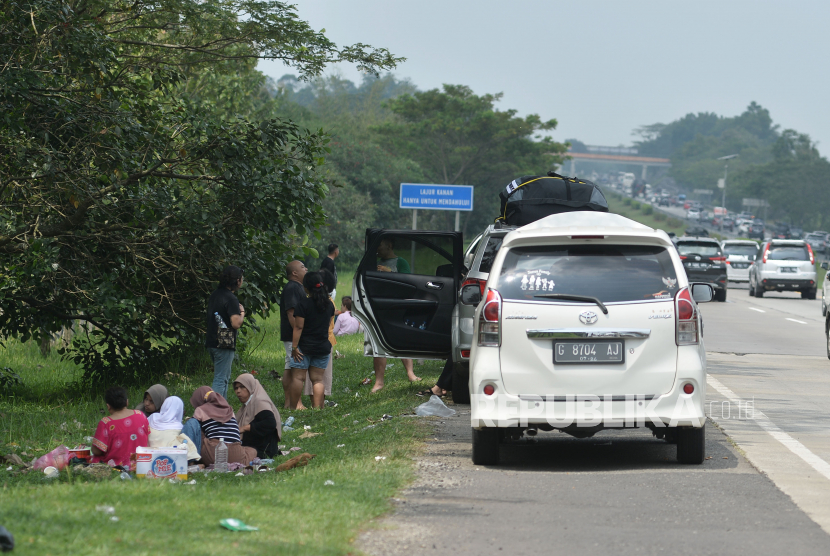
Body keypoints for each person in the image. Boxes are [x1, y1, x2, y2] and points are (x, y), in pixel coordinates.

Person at [372, 237, 419, 392]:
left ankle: (410, 374)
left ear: (389, 245)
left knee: (402, 337)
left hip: (397, 304)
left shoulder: (401, 262)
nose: (378, 248)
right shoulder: (374, 262)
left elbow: (407, 281)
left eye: (380, 244)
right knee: (377, 340)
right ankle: (379, 381)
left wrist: (389, 272)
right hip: (379, 304)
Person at [288, 271, 335, 409]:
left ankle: (293, 407)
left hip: (304, 347)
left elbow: (298, 327)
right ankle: (317, 408)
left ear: (306, 288)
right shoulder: (330, 305)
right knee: (318, 379)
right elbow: (328, 325)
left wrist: (294, 347)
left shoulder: (303, 304)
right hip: (323, 347)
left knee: (298, 378)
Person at [205, 265, 245, 399]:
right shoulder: (231, 298)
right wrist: (243, 313)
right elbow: (236, 323)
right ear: (237, 280)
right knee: (221, 379)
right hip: (224, 343)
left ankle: (223, 409)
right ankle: (214, 410)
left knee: (224, 378)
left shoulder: (215, 294)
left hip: (211, 340)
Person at [189, 386, 256, 465]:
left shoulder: (200, 409)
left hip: (214, 453)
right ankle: (236, 462)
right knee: (252, 451)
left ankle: (192, 460)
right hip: (236, 453)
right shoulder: (229, 410)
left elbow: (194, 429)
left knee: (195, 426)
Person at [90, 386, 149, 467]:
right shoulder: (140, 415)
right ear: (127, 402)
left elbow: (97, 451)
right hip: (141, 463)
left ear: (108, 406)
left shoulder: (106, 423)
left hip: (117, 466)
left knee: (96, 458)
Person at [304, 269, 336, 400]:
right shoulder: (329, 303)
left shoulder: (310, 302)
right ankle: (319, 404)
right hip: (326, 342)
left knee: (315, 378)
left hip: (313, 342)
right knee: (322, 377)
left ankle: (317, 403)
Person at [233, 373, 282, 458]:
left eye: (242, 387)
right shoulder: (247, 405)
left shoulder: (260, 401)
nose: (238, 391)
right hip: (255, 448)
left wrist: (245, 428)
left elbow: (270, 423)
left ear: (250, 386)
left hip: (264, 451)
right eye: (236, 388)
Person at [280, 260, 308, 409]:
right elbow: (292, 313)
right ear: (294, 273)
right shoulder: (292, 288)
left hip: (292, 334)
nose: (306, 269)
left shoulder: (298, 287)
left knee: (289, 366)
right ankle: (296, 403)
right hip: (293, 334)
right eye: (303, 267)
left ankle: (288, 402)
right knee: (296, 368)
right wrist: (299, 334)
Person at [147, 396, 201, 462]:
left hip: (150, 455)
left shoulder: (152, 418)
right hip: (171, 459)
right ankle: (193, 461)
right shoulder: (178, 427)